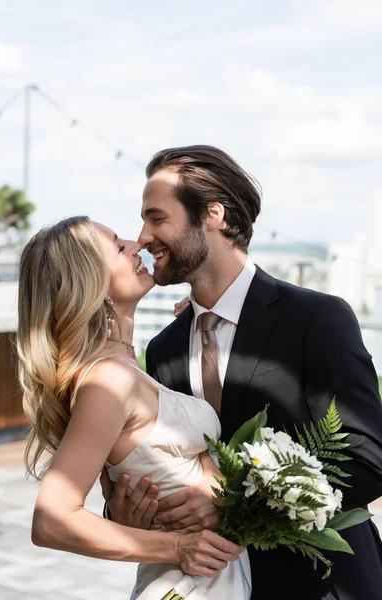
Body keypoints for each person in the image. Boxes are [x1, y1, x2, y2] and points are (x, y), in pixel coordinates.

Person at [103, 145, 382, 600]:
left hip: (324, 586)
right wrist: (126, 511)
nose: (144, 235)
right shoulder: (165, 347)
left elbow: (368, 461)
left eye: (157, 218)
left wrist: (231, 501)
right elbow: (163, 464)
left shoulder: (318, 317)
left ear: (213, 214)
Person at [17, 215, 248, 600]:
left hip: (218, 575)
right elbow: (51, 520)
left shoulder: (129, 366)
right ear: (90, 282)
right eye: (118, 247)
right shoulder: (109, 379)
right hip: (186, 582)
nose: (136, 244)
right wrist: (177, 548)